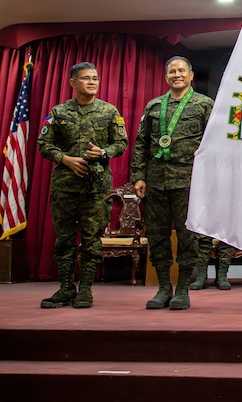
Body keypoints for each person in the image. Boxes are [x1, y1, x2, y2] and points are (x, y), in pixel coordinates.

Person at [37, 62, 128, 309]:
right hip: (65, 188)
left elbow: (121, 143)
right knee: (64, 240)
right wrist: (65, 159)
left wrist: (103, 152)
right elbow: (44, 144)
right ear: (73, 83)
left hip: (95, 189)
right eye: (86, 78)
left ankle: (85, 290)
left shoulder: (109, 112)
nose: (92, 82)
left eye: (95, 78)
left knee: (91, 240)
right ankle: (66, 288)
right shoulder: (58, 112)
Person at [130, 56, 214, 310]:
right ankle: (164, 288)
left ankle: (183, 291)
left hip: (189, 181)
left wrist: (206, 151)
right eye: (172, 71)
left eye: (181, 71)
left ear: (191, 76)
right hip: (156, 181)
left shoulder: (204, 105)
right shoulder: (154, 106)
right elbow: (142, 143)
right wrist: (139, 175)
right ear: (166, 77)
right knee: (157, 236)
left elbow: (218, 140)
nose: (176, 75)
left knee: (188, 237)